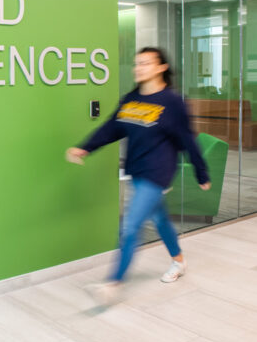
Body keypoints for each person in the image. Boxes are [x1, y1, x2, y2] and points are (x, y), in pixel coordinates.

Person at [66, 47, 211, 305]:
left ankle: (113, 283)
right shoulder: (131, 99)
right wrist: (86, 147)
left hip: (158, 172)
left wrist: (201, 172)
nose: (139, 67)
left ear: (161, 67)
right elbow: (112, 127)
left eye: (145, 63)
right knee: (160, 219)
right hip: (137, 169)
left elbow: (188, 140)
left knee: (130, 227)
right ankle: (178, 261)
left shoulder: (173, 102)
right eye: (137, 63)